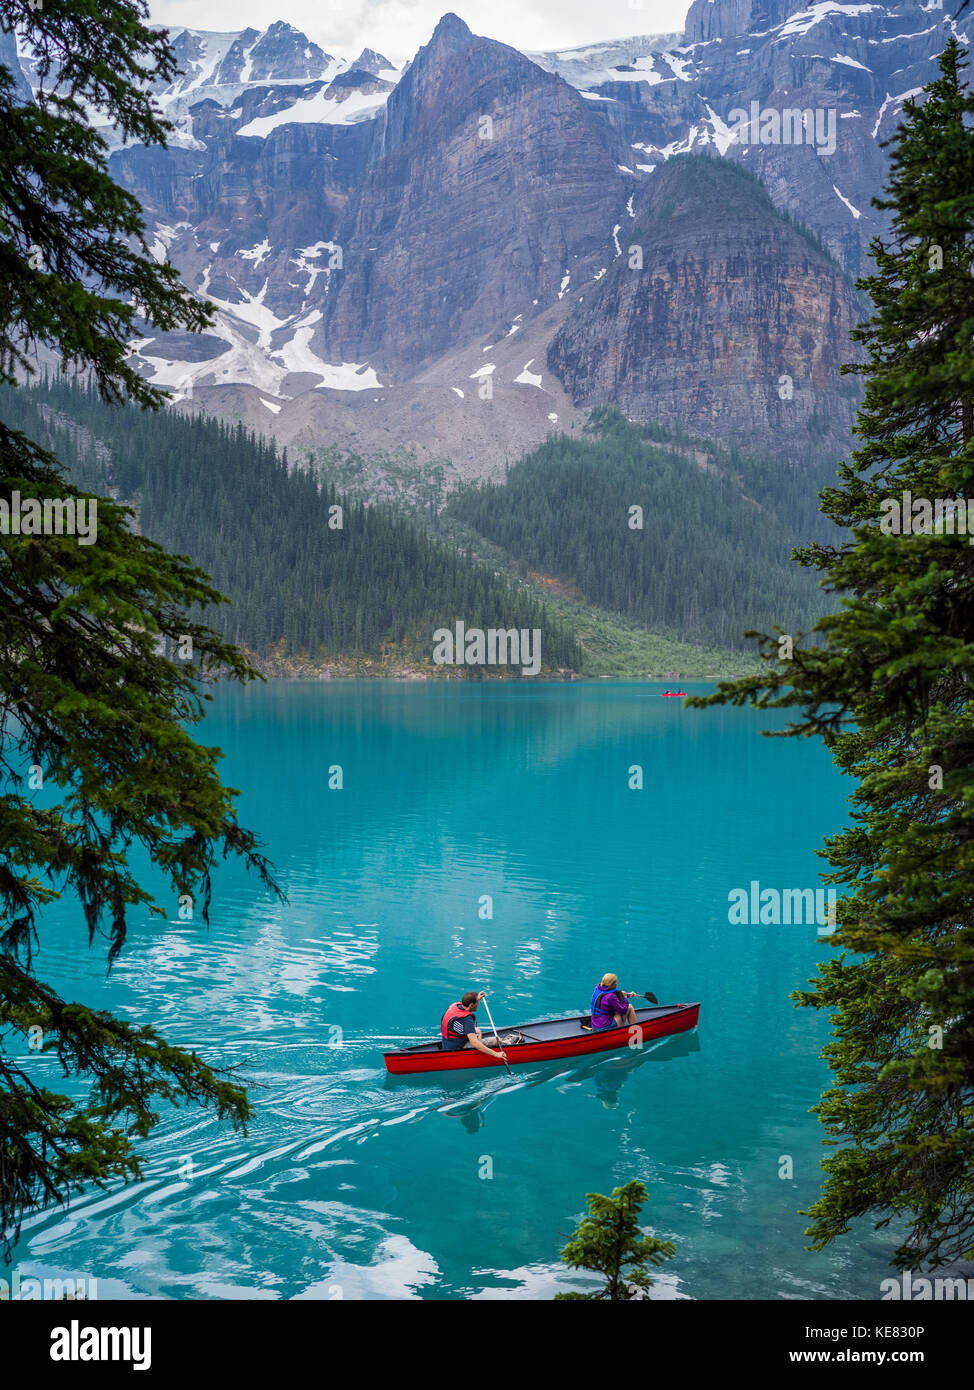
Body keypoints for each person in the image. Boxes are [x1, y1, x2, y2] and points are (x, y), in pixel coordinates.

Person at [440, 990, 507, 1060]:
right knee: (498, 1040)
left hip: (447, 1044)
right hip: (458, 1048)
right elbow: (474, 1043)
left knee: (478, 1031)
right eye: (477, 1003)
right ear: (471, 1005)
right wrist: (497, 1054)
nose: (478, 1004)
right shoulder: (467, 1020)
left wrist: (477, 998)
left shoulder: (455, 1006)